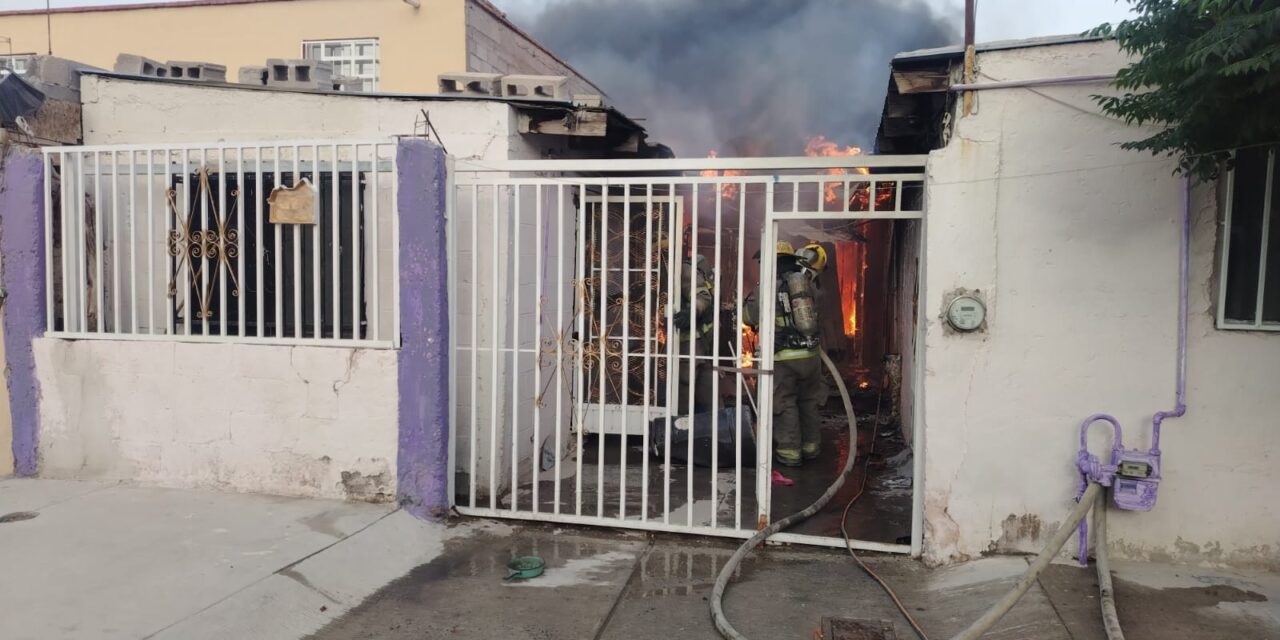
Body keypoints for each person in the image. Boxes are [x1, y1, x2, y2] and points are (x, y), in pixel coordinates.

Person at [743, 241, 829, 467]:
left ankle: (790, 454)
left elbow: (749, 318)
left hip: (784, 359)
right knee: (808, 401)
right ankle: (812, 448)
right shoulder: (807, 284)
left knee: (784, 404)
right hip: (811, 357)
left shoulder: (768, 287)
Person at [672, 253, 718, 414]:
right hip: (676, 347)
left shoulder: (681, 270)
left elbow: (703, 297)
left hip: (689, 345)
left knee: (682, 394)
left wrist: (691, 312)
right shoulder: (652, 272)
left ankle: (685, 432)